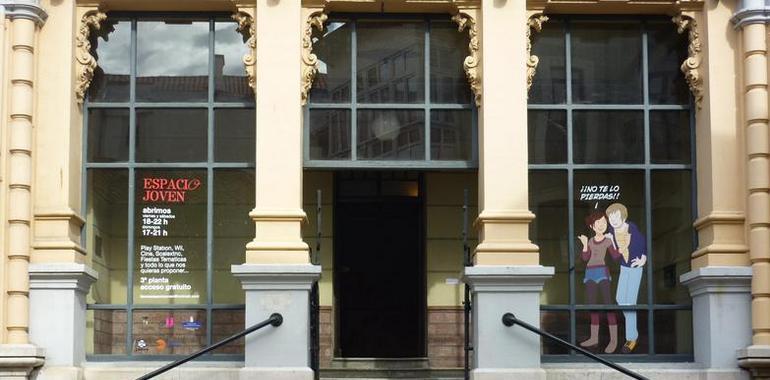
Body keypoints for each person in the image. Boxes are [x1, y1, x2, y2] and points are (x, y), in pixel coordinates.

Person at [578, 210, 621, 353]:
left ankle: (613, 340)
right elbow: (585, 258)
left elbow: (615, 256)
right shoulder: (590, 241)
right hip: (590, 273)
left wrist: (615, 241)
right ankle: (594, 338)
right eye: (598, 223)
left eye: (604, 222)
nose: (602, 225)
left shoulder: (608, 240)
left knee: (609, 305)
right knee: (592, 306)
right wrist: (584, 244)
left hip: (602, 272)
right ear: (592, 226)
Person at [605, 202, 646, 354]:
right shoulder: (611, 231)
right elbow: (616, 257)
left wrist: (644, 258)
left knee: (630, 302)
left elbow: (642, 243)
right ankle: (633, 334)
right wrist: (611, 242)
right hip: (624, 267)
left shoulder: (632, 228)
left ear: (622, 215)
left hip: (635, 268)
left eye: (615, 216)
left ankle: (632, 338)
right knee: (620, 298)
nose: (613, 220)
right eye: (610, 217)